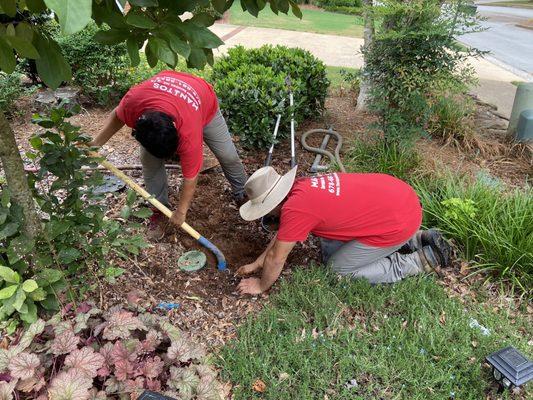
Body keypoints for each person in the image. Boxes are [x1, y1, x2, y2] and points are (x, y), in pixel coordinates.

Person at [236, 166, 452, 295]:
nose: (267, 214)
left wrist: (261, 285)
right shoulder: (302, 186)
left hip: (399, 223)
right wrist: (257, 262)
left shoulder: (296, 210)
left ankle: (417, 261)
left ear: (273, 202)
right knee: (329, 245)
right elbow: (283, 235)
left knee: (337, 268)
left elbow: (277, 257)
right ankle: (414, 240)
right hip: (403, 199)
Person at [90, 70, 247, 240]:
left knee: (228, 155)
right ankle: (158, 208)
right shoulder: (134, 101)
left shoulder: (188, 133)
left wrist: (181, 211)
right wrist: (95, 144)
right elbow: (117, 116)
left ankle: (243, 193)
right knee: (148, 160)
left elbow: (191, 177)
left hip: (203, 101)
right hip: (161, 101)